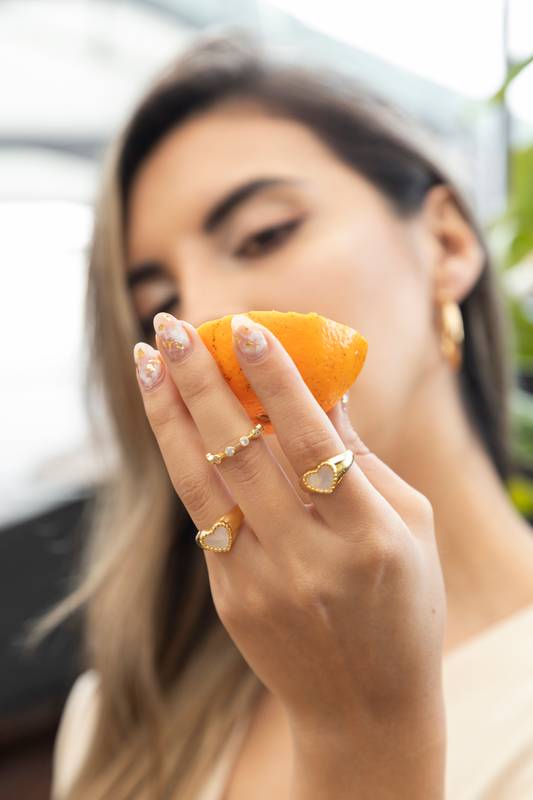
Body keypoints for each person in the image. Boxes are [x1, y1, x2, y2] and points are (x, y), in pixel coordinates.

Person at [33, 31, 533, 800]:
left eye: (263, 234)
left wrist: (365, 738)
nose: (200, 318)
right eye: (157, 306)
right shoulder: (115, 722)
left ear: (445, 242)